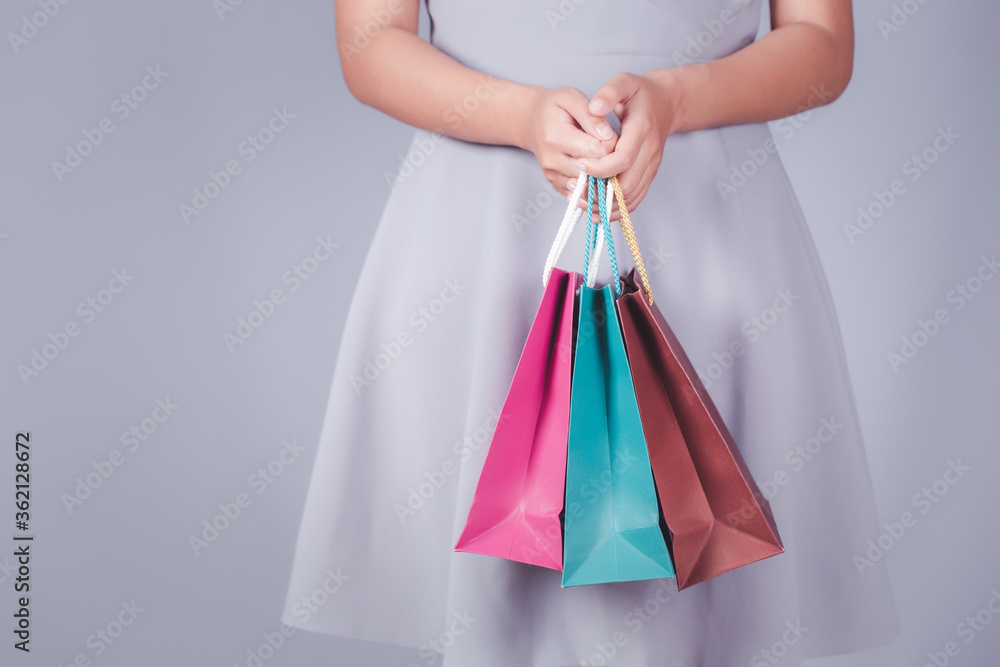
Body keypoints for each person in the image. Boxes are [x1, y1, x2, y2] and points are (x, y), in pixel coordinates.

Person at [281, 0, 900, 664]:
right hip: (488, 228)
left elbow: (824, 45)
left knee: (685, 612)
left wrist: (675, 98)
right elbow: (370, 43)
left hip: (700, 225)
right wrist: (518, 115)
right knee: (506, 605)